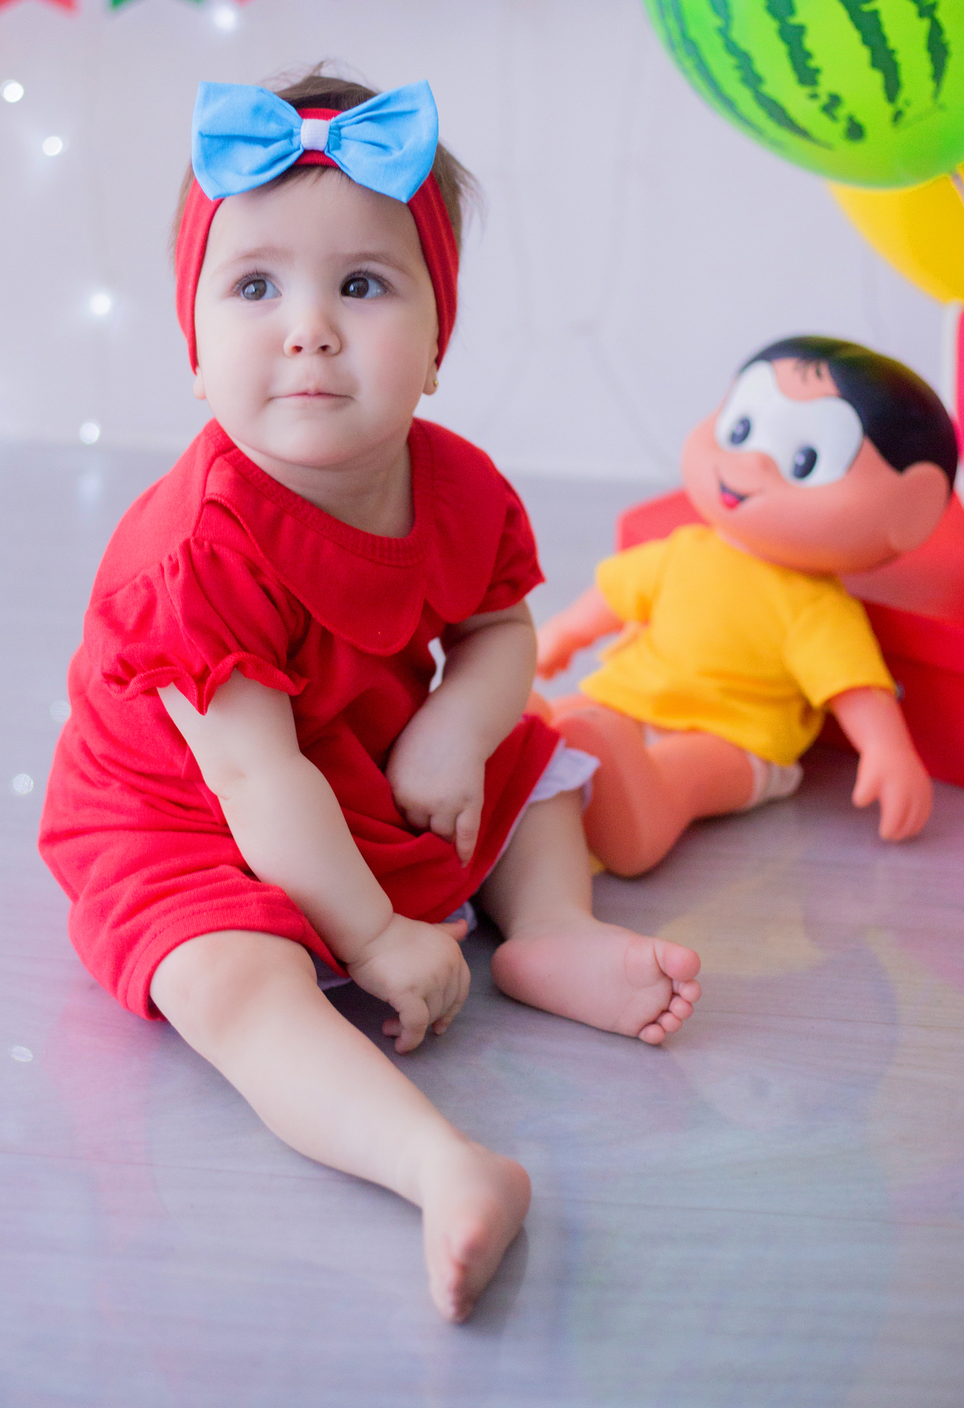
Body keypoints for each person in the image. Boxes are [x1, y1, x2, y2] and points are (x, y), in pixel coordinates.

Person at [39, 69, 701, 1324]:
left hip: (371, 756)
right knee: (230, 985)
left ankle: (549, 927)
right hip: (194, 819)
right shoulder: (195, 552)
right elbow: (256, 777)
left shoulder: (454, 485)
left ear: (438, 340)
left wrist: (459, 722)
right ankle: (441, 1165)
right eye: (254, 286)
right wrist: (377, 937)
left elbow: (504, 631)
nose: (310, 327)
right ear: (192, 350)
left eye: (362, 283)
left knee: (538, 759)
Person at [534, 336, 958, 878]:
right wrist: (562, 635)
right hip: (625, 704)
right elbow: (610, 601)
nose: (753, 461)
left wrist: (888, 753)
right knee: (558, 720)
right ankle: (517, 751)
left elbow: (856, 688)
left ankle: (644, 820)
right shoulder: (683, 550)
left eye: (804, 460)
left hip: (736, 741)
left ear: (911, 510)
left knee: (682, 771)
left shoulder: (816, 609)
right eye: (740, 430)